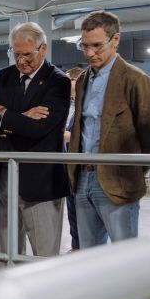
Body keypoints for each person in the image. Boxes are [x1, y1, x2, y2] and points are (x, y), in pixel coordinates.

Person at [63, 11, 150, 299]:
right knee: (92, 262)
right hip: (84, 179)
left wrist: (135, 175)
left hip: (118, 182)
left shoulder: (136, 81)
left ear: (115, 40)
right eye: (85, 46)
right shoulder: (87, 81)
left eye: (97, 46)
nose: (90, 53)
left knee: (125, 263)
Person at [0, 22, 70, 260]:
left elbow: (38, 128)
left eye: (27, 55)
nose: (21, 61)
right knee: (6, 253)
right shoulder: (5, 76)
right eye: (16, 54)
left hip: (41, 181)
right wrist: (20, 118)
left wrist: (4, 114)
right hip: (6, 177)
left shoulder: (58, 81)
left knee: (44, 255)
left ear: (43, 49)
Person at [64, 65, 85, 251]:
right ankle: (76, 246)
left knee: (82, 211)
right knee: (72, 210)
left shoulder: (85, 106)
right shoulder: (67, 105)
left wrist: (62, 134)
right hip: (67, 165)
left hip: (82, 166)